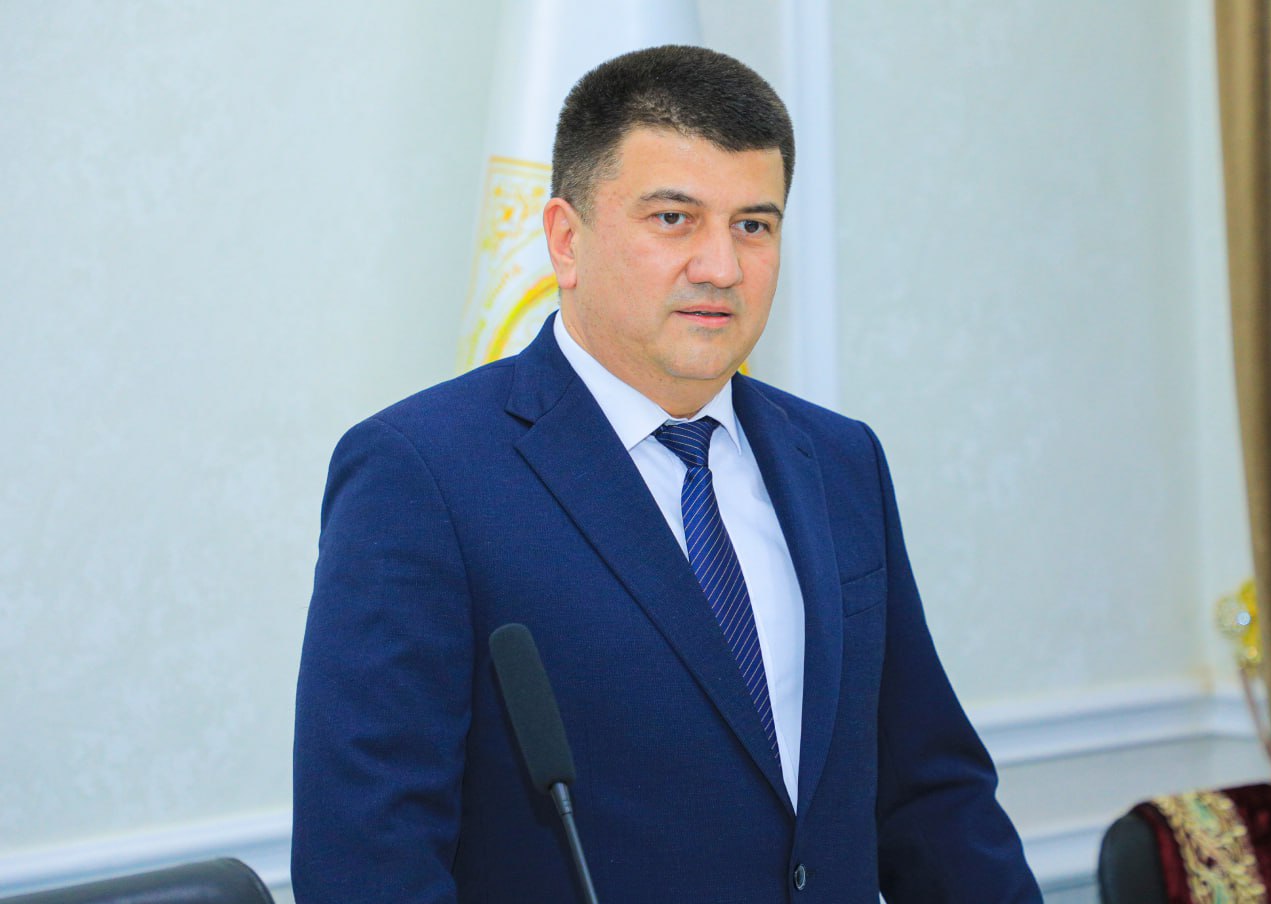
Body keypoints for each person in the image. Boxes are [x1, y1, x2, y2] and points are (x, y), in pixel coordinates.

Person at [292, 45, 1041, 903]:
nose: (722, 267)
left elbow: (931, 797)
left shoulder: (840, 460)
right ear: (565, 241)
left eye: (753, 225)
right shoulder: (422, 475)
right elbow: (370, 859)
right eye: (675, 218)